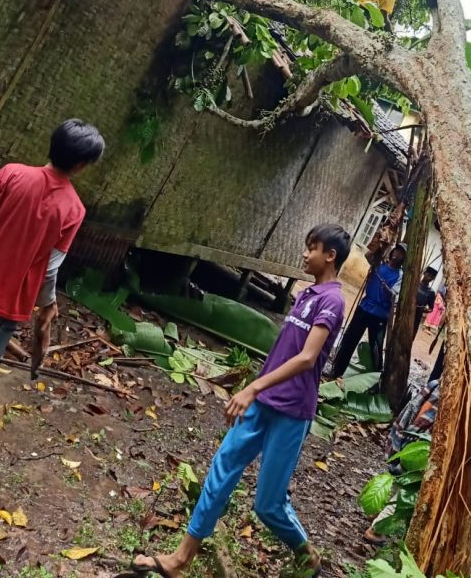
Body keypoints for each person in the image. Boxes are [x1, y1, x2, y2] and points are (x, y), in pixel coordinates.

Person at [131, 224, 350, 578]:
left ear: (330, 255)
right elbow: (283, 352)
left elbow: (308, 358)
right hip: (264, 400)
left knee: (268, 505)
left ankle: (306, 552)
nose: (304, 254)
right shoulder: (307, 295)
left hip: (292, 412)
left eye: (312, 248)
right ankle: (180, 559)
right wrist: (255, 389)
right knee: (221, 471)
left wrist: (252, 387)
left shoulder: (332, 301)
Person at [0, 119, 104, 461]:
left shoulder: (11, 174)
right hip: (5, 310)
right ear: (80, 165)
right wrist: (47, 304)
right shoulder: (73, 210)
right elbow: (50, 269)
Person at [364, 376, 441, 544]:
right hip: (417, 445)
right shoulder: (445, 394)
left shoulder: (436, 384)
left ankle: (375, 512)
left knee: (396, 481)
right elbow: (422, 420)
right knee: (406, 490)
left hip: (404, 440)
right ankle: (377, 529)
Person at [331, 244, 406, 378]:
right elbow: (368, 256)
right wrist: (381, 246)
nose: (397, 254)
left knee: (375, 348)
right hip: (364, 307)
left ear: (404, 258)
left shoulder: (401, 275)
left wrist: (387, 289)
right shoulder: (380, 264)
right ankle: (336, 372)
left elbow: (395, 296)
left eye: (401, 253)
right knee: (349, 340)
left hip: (380, 315)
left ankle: (374, 380)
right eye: (396, 250)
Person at [413, 266, 438, 339]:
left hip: (417, 317)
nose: (429, 278)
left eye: (432, 277)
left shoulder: (431, 292)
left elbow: (431, 308)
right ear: (424, 273)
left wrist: (423, 309)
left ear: (433, 279)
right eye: (428, 275)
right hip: (406, 313)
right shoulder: (415, 284)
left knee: (410, 336)